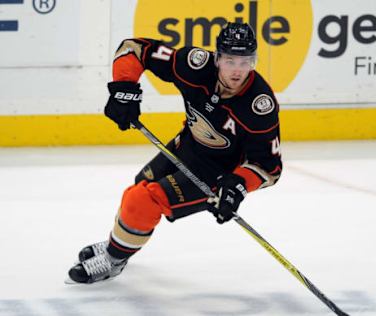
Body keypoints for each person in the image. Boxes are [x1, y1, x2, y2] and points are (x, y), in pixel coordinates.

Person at [67, 22, 282, 284]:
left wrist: (237, 185)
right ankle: (119, 245)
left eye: (245, 62)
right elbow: (134, 49)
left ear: (253, 61)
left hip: (216, 175)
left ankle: (113, 260)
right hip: (187, 147)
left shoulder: (260, 105)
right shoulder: (195, 65)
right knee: (140, 187)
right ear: (216, 58)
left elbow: (269, 167)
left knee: (141, 201)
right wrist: (125, 91)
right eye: (229, 61)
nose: (237, 71)